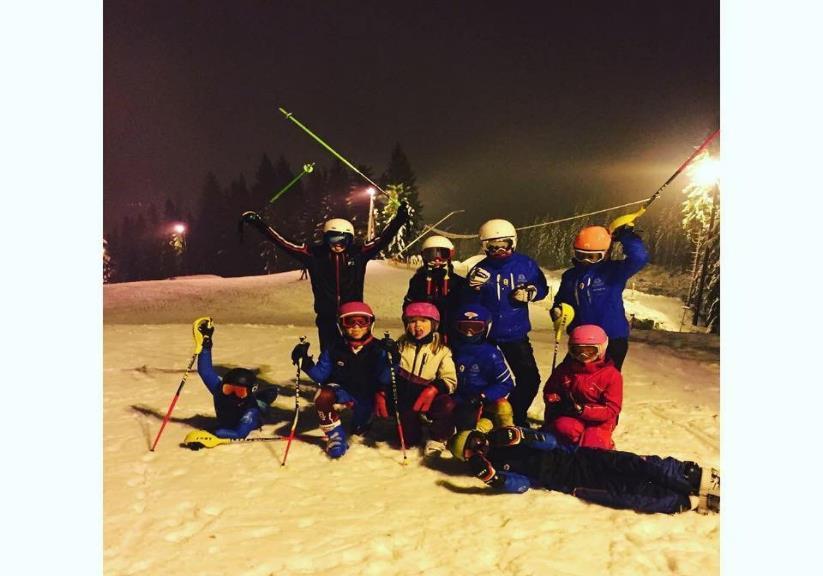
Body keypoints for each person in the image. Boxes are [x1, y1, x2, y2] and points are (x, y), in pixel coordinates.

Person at [240, 202, 410, 352]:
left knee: (358, 355)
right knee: (330, 355)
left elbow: (383, 239)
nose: (338, 244)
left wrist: (399, 219)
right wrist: (260, 225)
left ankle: (357, 386)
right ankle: (330, 385)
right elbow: (283, 241)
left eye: (343, 240)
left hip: (353, 316)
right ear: (325, 238)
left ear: (350, 240)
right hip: (327, 316)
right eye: (333, 238)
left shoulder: (358, 254)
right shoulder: (314, 255)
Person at [449, 426, 720, 514]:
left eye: (476, 441)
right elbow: (521, 485)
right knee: (623, 492)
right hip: (569, 481)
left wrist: (525, 436)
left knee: (635, 463)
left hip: (580, 457)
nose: (479, 449)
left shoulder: (502, 436)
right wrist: (494, 479)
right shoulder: (494, 467)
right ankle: (684, 501)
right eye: (471, 452)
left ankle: (689, 476)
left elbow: (552, 441)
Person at [464, 219, 549, 427]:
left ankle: (514, 415)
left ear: (513, 243)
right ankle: (485, 418)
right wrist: (472, 289)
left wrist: (532, 292)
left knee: (529, 379)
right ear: (484, 247)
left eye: (505, 244)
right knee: (486, 379)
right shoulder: (480, 269)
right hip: (486, 336)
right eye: (493, 246)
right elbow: (468, 307)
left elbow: (542, 287)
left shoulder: (525, 264)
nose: (500, 250)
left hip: (515, 333)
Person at [291, 301, 390, 459]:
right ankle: (335, 435)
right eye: (349, 322)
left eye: (362, 321)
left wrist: (393, 359)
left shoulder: (378, 349)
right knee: (322, 396)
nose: (356, 327)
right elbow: (321, 375)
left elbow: (385, 377)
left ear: (370, 323)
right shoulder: (334, 348)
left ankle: (364, 420)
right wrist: (305, 362)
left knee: (359, 429)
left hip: (366, 394)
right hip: (342, 389)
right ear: (341, 325)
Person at [551, 220, 649, 371]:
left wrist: (626, 236)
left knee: (604, 382)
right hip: (581, 339)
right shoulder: (570, 276)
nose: (586, 261)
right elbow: (562, 300)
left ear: (606, 254)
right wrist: (557, 310)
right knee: (571, 380)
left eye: (593, 257)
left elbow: (639, 258)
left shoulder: (613, 272)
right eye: (580, 255)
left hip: (612, 338)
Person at [378, 302, 457, 456]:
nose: (418, 326)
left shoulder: (441, 350)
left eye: (424, 321)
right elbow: (387, 373)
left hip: (427, 395)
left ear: (433, 325)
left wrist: (434, 389)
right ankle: (414, 425)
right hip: (407, 397)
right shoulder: (400, 346)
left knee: (447, 404)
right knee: (410, 440)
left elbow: (450, 379)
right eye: (413, 321)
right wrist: (389, 355)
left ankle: (438, 436)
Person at [192, 317, 279, 439]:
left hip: (259, 411)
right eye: (228, 389)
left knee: (262, 403)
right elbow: (205, 371)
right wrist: (206, 346)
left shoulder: (251, 413)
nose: (232, 395)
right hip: (250, 401)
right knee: (260, 398)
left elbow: (239, 433)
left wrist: (211, 434)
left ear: (249, 393)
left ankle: (269, 393)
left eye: (239, 392)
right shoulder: (220, 391)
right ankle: (266, 393)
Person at [542, 324, 622, 449]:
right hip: (571, 415)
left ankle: (604, 448)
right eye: (577, 351)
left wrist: (583, 410)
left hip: (599, 421)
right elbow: (550, 389)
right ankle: (568, 452)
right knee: (563, 428)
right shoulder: (565, 369)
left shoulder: (612, 376)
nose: (583, 356)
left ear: (601, 349)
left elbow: (612, 409)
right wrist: (554, 399)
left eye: (590, 351)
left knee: (593, 443)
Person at [450, 303, 515, 431]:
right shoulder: (452, 349)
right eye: (464, 327)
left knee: (503, 407)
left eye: (475, 327)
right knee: (465, 426)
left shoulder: (491, 354)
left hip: (483, 401)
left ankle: (505, 432)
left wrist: (483, 395)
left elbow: (506, 383)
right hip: (460, 400)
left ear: (486, 328)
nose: (469, 333)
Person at [403, 235, 466, 342]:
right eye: (431, 254)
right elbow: (409, 307)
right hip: (426, 332)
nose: (437, 259)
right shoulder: (418, 280)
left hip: (450, 332)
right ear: (424, 256)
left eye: (443, 254)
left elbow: (465, 306)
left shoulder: (457, 282)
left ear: (450, 255)